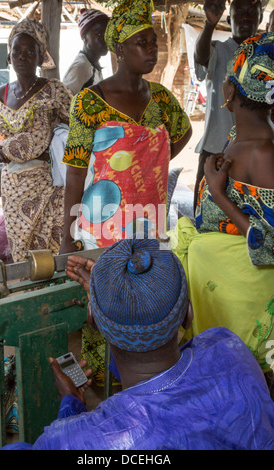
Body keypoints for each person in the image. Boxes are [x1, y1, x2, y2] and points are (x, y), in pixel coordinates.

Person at [0, 235, 274, 450]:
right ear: (188, 315)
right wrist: (115, 298)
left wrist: (70, 404)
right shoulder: (228, 347)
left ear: (91, 322)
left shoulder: (72, 439)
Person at [59, 0, 191, 385]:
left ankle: (150, 383)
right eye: (142, 42)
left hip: (150, 222)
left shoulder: (163, 100)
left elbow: (178, 137)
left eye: (153, 42)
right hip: (104, 228)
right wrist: (68, 241)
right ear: (119, 48)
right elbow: (74, 176)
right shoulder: (89, 103)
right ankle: (108, 387)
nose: (152, 49)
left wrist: (151, 162)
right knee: (107, 305)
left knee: (151, 303)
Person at [168, 32, 274, 374]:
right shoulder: (235, 138)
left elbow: (271, 244)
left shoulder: (263, 153)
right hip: (219, 300)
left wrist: (218, 196)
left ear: (230, 91)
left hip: (245, 305)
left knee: (247, 384)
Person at [0, 18, 73, 262]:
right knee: (22, 248)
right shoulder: (1, 93)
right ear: (9, 56)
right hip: (12, 185)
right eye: (17, 51)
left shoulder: (54, 89)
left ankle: (53, 293)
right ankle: (27, 289)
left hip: (46, 183)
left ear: (39, 56)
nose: (22, 56)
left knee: (51, 245)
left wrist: (55, 151)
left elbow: (77, 125)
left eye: (29, 51)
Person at [193, 0, 263, 211]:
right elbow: (201, 57)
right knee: (204, 213)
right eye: (239, 11)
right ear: (229, 18)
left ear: (260, 19)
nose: (245, 16)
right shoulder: (218, 50)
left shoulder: (266, 54)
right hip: (216, 151)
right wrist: (209, 24)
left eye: (252, 12)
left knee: (252, 217)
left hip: (256, 153)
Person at [62, 8, 110, 94]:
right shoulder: (80, 68)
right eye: (99, 34)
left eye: (108, 34)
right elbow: (65, 103)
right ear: (84, 37)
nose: (105, 39)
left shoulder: (93, 64)